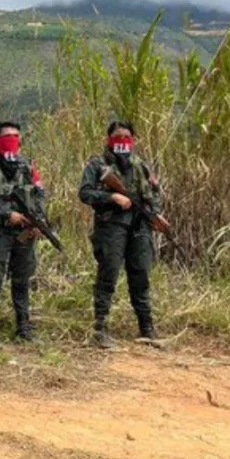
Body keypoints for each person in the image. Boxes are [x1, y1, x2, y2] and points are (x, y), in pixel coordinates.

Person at [78, 121, 166, 349]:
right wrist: (112, 198)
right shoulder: (98, 165)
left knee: (141, 276)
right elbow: (85, 193)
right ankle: (100, 329)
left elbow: (153, 194)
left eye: (126, 137)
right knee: (108, 276)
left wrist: (155, 215)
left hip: (139, 227)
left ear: (133, 139)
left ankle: (147, 329)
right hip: (111, 227)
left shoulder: (141, 165)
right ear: (108, 139)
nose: (122, 141)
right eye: (117, 137)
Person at [0, 121, 45, 352]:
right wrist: (6, 213)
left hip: (24, 231)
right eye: (7, 136)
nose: (12, 139)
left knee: (22, 280)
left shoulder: (27, 165)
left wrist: (38, 221)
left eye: (16, 136)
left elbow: (39, 193)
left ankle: (23, 327)